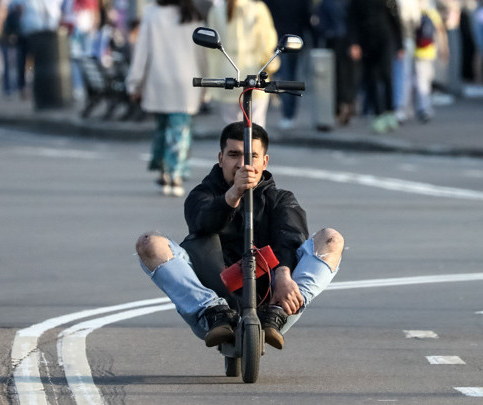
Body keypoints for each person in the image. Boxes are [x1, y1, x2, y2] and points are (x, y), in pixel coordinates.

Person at [135, 122, 344, 350]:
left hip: (272, 295)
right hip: (213, 298)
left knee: (331, 238)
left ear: (264, 161)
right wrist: (233, 193)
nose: (243, 164)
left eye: (252, 156)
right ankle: (212, 310)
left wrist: (284, 275)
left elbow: (291, 237)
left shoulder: (281, 198)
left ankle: (279, 312)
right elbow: (202, 223)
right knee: (150, 243)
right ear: (221, 158)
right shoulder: (202, 193)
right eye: (234, 155)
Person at [126, 0, 205, 197]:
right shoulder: (193, 15)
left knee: (162, 128)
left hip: (158, 79)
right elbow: (202, 53)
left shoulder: (152, 13)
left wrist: (134, 82)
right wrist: (206, 83)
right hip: (188, 80)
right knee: (181, 129)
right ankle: (176, 174)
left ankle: (163, 173)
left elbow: (142, 51)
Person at [206, 0, 279, 128]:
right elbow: (267, 43)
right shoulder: (258, 9)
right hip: (254, 72)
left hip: (226, 74)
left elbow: (210, 49)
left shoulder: (216, 11)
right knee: (256, 129)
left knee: (231, 130)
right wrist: (271, 66)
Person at [348, 0, 404, 134]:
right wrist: (354, 43)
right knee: (371, 78)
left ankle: (390, 112)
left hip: (384, 39)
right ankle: (378, 113)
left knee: (386, 75)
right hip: (366, 40)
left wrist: (399, 44)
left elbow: (394, 18)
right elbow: (352, 19)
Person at [262, 0, 311, 130]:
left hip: (279, 37)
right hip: (293, 38)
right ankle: (288, 114)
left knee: (284, 76)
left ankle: (286, 113)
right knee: (288, 77)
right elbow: (306, 17)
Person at [314, 0, 358, 126]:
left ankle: (340, 106)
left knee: (335, 78)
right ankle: (347, 103)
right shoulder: (348, 3)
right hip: (347, 42)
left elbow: (319, 24)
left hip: (333, 42)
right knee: (348, 76)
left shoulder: (326, 3)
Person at [412, 0, 447, 122]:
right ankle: (424, 108)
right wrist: (444, 49)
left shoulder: (418, 12)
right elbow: (440, 32)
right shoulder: (430, 13)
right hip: (426, 53)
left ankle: (421, 107)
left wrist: (443, 49)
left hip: (421, 52)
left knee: (421, 81)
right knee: (423, 82)